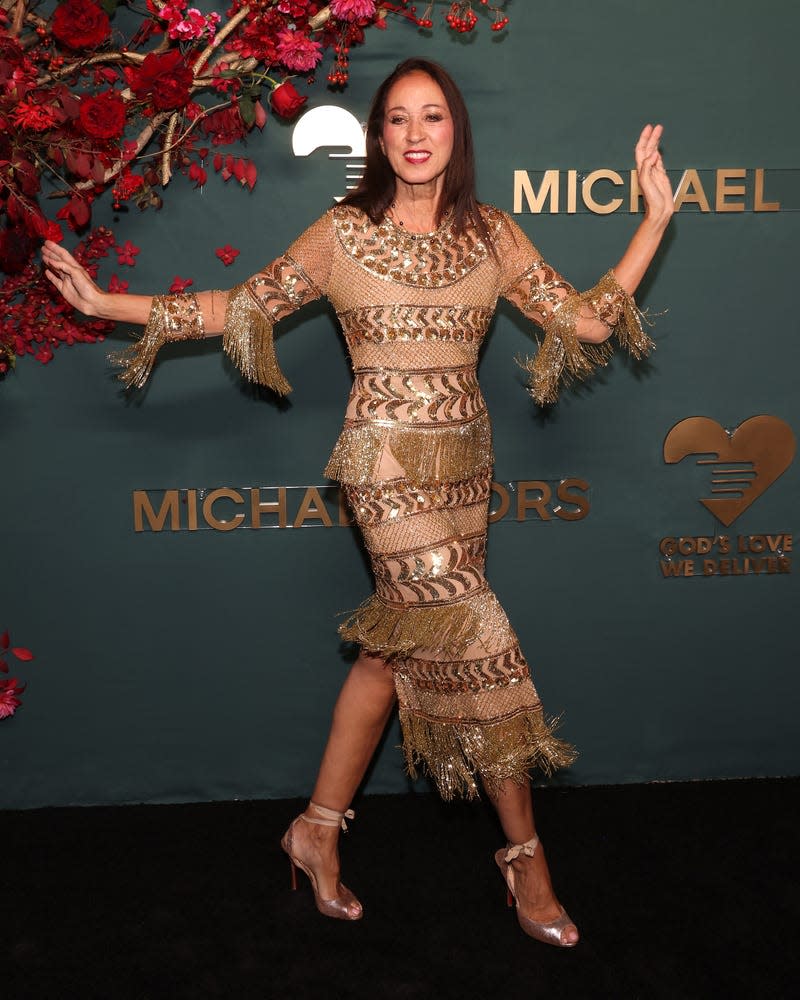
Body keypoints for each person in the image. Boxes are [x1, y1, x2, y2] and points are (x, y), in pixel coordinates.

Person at [43, 57, 673, 947]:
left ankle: (316, 828)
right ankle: (526, 857)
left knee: (391, 651)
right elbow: (244, 306)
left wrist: (652, 223)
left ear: (456, 133)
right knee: (476, 635)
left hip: (463, 471)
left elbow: (588, 323)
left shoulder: (494, 235)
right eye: (398, 120)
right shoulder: (341, 235)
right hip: (382, 469)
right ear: (379, 138)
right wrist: (109, 303)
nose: (416, 135)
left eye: (433, 118)